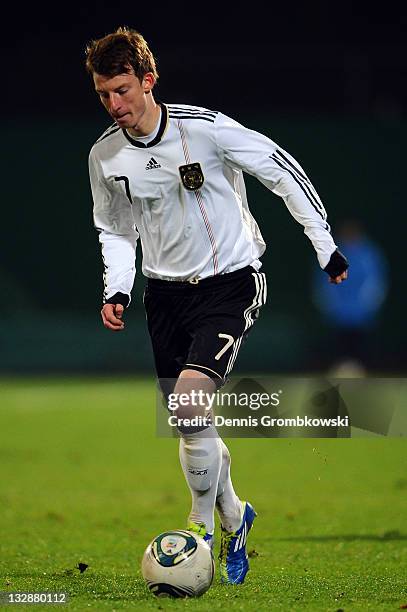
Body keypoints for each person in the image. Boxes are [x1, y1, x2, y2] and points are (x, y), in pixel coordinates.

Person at [85, 26, 348, 585]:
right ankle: (234, 513)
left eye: (123, 90)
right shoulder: (105, 156)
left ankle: (202, 524)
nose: (114, 105)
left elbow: (280, 169)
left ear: (149, 81)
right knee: (191, 421)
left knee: (186, 405)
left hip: (229, 282)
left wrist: (323, 245)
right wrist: (118, 287)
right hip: (164, 296)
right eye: (104, 94)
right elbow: (114, 228)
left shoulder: (203, 130)